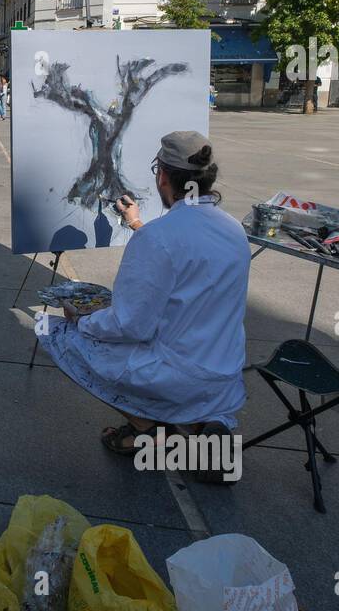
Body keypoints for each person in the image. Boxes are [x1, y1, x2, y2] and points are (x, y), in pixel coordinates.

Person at [37, 132, 249, 459]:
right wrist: (137, 224)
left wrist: (82, 320)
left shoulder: (158, 238)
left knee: (51, 331)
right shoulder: (233, 229)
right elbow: (186, 256)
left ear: (162, 175)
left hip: (177, 375)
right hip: (224, 372)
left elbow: (130, 325)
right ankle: (203, 427)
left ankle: (148, 429)